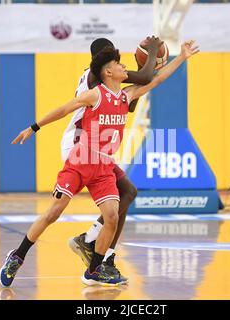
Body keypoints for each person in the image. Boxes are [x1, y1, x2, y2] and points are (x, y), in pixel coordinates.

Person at [0, 40, 199, 287]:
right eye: (119, 63)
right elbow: (63, 110)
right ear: (107, 71)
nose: (124, 66)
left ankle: (94, 269)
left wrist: (182, 57)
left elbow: (155, 80)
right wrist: (33, 127)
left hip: (103, 164)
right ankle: (17, 256)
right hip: (80, 158)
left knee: (113, 215)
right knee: (54, 212)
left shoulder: (125, 95)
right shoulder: (95, 93)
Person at [65, 37, 161, 277]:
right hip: (81, 146)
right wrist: (150, 55)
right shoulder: (96, 76)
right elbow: (148, 77)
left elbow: (128, 105)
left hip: (94, 147)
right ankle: (93, 246)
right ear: (102, 59)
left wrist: (143, 73)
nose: (119, 61)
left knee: (126, 193)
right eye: (113, 56)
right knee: (122, 195)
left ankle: (100, 251)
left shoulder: (102, 79)